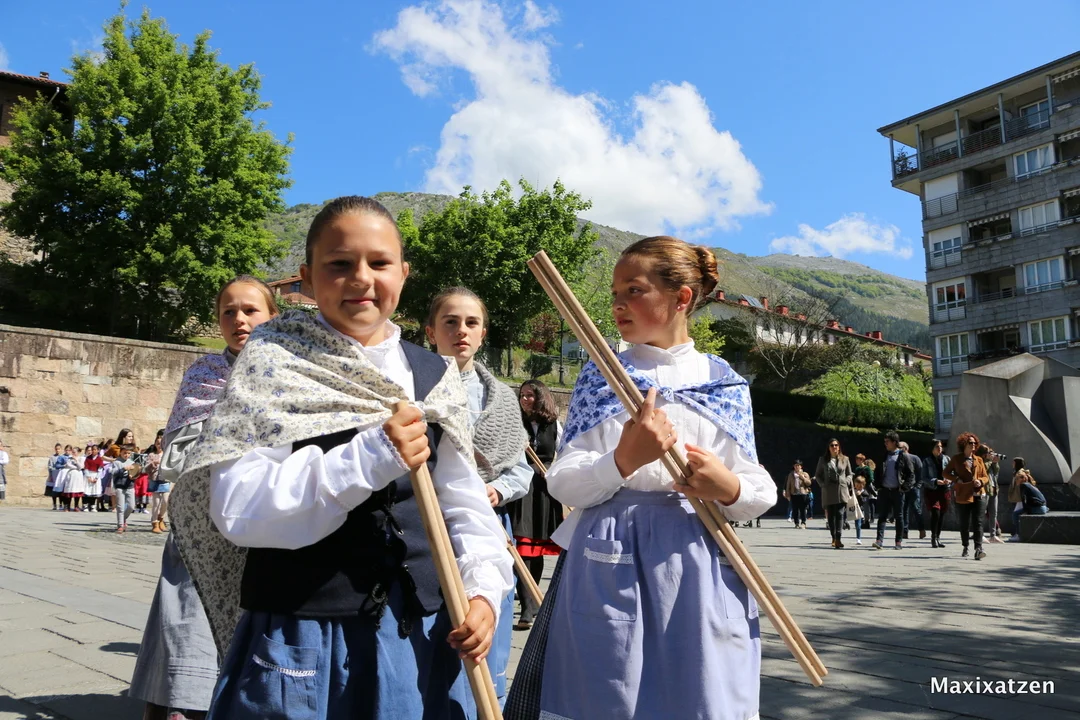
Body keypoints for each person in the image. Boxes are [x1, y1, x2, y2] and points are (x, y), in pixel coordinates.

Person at [167, 196, 512, 719]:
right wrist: (371, 456)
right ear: (307, 278)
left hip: (418, 634)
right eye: (339, 264)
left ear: (404, 274)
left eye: (380, 262)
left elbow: (462, 503)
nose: (361, 278)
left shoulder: (434, 377)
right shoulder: (274, 363)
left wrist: (482, 591)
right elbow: (239, 506)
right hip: (305, 632)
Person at [508, 235, 776, 720]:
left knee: (701, 691)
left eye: (633, 290)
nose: (617, 304)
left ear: (682, 298)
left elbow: (759, 487)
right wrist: (622, 460)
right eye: (615, 293)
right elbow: (561, 480)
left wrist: (728, 486)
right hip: (609, 554)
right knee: (607, 691)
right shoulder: (602, 376)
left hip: (699, 555)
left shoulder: (724, 384)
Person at [130, 275, 280, 720]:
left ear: (273, 316)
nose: (239, 319)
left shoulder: (292, 373)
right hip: (200, 519)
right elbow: (177, 448)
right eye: (228, 312)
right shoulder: (203, 374)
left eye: (250, 310)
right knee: (185, 619)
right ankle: (181, 705)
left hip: (264, 520)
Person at [425, 285, 533, 704]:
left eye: (472, 323)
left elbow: (520, 468)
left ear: (483, 333)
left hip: (488, 528)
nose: (461, 331)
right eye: (450, 322)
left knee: (484, 638)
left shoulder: (502, 397)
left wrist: (496, 489)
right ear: (431, 331)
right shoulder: (412, 384)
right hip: (426, 526)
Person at [509, 379, 562, 630]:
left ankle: (531, 601)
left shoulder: (554, 425)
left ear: (541, 397)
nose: (525, 399)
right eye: (522, 395)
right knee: (521, 548)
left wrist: (552, 469)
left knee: (537, 549)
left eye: (530, 395)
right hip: (522, 491)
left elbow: (565, 454)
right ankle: (527, 608)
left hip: (544, 492)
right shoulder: (514, 423)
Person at [944, 432, 988, 560]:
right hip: (963, 494)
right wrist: (956, 479)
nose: (973, 445)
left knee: (978, 522)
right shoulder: (956, 459)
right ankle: (965, 545)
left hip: (978, 493)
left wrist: (981, 481)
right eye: (970, 443)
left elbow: (985, 476)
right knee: (964, 522)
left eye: (975, 443)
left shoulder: (979, 459)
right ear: (964, 444)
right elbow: (945, 473)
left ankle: (978, 548)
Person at [872, 431, 917, 551]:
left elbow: (911, 474)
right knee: (882, 516)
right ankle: (879, 541)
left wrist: (904, 487)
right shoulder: (883, 455)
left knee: (899, 517)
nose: (885, 444)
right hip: (884, 490)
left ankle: (898, 542)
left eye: (887, 441)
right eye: (885, 441)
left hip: (898, 491)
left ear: (894, 442)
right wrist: (878, 486)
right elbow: (877, 471)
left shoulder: (903, 456)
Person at [815, 438, 853, 549]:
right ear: (828, 447)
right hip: (828, 490)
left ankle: (838, 538)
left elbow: (849, 473)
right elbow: (818, 475)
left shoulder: (845, 459)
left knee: (840, 513)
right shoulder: (823, 460)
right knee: (831, 515)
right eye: (832, 445)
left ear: (839, 447)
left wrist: (846, 481)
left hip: (841, 490)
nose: (834, 447)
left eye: (836, 445)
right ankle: (833, 536)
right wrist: (822, 484)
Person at [922, 440, 951, 548]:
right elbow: (923, 477)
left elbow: (953, 473)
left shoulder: (947, 459)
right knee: (935, 512)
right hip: (932, 490)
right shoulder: (927, 461)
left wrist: (949, 480)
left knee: (942, 513)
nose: (939, 448)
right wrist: (935, 481)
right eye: (937, 446)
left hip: (945, 489)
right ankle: (933, 537)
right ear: (932, 448)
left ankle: (938, 537)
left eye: (940, 446)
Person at [976, 445, 1004, 543]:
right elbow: (982, 469)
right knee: (982, 513)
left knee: (993, 513)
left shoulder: (990, 462)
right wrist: (990, 461)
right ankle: (981, 534)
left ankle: (993, 535)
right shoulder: (980, 461)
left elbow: (996, 472)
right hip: (985, 489)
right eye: (989, 453)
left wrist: (995, 462)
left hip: (993, 488)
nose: (990, 455)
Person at [899, 441, 925, 540]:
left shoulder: (915, 458)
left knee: (916, 508)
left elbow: (921, 472)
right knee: (903, 510)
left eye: (900, 447)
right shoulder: (898, 459)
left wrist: (918, 486)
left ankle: (921, 529)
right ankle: (904, 531)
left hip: (913, 488)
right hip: (902, 488)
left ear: (905, 448)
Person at [111, 446, 139, 533]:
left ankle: (123, 519)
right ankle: (120, 525)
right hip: (119, 486)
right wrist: (124, 469)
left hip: (129, 486)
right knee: (120, 507)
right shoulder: (117, 462)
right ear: (121, 453)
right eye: (125, 453)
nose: (126, 455)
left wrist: (133, 476)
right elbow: (113, 472)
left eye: (128, 453)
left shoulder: (132, 462)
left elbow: (136, 473)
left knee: (131, 506)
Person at [145, 434, 167, 533]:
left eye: (162, 443)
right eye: (158, 443)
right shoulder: (151, 455)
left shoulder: (167, 454)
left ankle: (161, 518)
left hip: (165, 480)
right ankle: (155, 523)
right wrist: (152, 464)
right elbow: (145, 468)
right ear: (155, 444)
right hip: (154, 480)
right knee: (156, 503)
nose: (160, 445)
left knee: (166, 501)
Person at [784, 459, 811, 528]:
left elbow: (809, 483)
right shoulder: (791, 475)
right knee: (795, 509)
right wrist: (787, 494)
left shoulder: (805, 474)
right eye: (795, 465)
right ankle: (796, 523)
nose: (797, 467)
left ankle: (803, 522)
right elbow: (788, 485)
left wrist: (803, 478)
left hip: (803, 494)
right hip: (794, 494)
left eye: (798, 465)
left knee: (803, 509)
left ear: (801, 466)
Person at [853, 476, 873, 544]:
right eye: (856, 485)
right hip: (852, 509)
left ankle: (858, 538)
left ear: (863, 485)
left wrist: (859, 496)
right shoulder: (852, 491)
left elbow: (863, 502)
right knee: (856, 524)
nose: (858, 487)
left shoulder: (864, 493)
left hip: (860, 510)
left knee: (858, 525)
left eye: (860, 486)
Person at [82, 444, 104, 511]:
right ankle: (85, 506)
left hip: (95, 475)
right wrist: (88, 477)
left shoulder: (99, 459)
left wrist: (96, 478)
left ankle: (93, 506)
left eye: (95, 449)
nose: (93, 451)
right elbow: (86, 468)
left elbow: (100, 469)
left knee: (94, 491)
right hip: (88, 475)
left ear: (98, 450)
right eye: (92, 449)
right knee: (87, 490)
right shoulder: (88, 458)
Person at [46, 443, 63, 509]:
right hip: (54, 474)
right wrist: (51, 474)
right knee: (54, 491)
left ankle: (61, 504)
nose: (57, 450)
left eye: (59, 449)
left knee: (60, 490)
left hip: (60, 475)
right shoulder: (52, 457)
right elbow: (50, 466)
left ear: (61, 449)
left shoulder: (62, 457)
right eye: (56, 449)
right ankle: (54, 504)